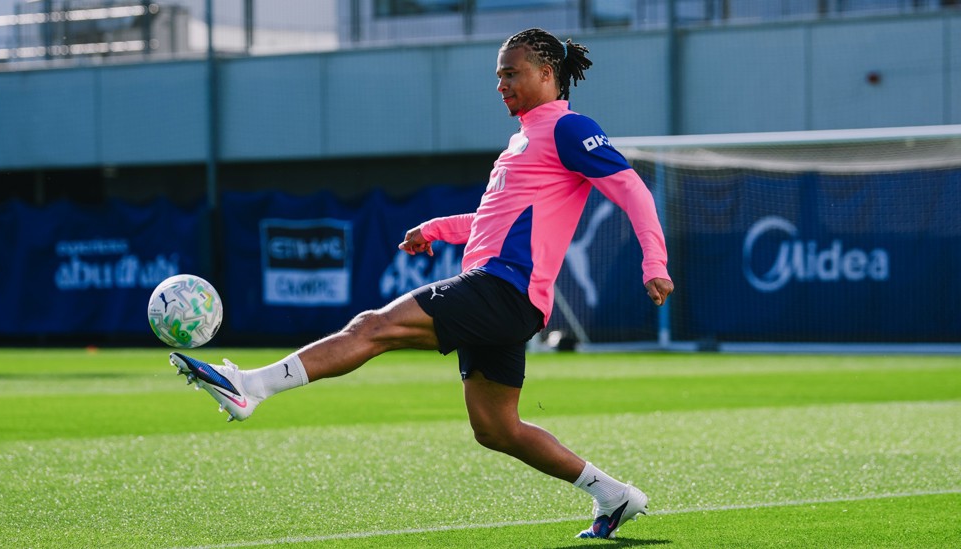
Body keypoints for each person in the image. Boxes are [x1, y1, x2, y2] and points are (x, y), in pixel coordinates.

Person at [170, 27, 674, 540]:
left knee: (374, 327)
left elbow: (632, 189)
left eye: (510, 73)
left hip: (504, 290)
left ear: (548, 74)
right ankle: (613, 495)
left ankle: (250, 387)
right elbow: (493, 222)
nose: (500, 84)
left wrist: (653, 261)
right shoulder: (523, 137)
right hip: (505, 295)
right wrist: (434, 229)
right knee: (496, 429)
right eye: (497, 75)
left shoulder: (569, 128)